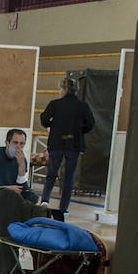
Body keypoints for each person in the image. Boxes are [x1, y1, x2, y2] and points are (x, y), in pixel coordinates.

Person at [39, 77, 95, 213]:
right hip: (74, 144)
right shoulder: (83, 106)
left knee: (52, 173)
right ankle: (63, 208)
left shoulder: (55, 104)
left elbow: (44, 119)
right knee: (69, 176)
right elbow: (90, 123)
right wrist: (79, 131)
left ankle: (45, 200)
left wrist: (53, 124)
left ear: (64, 89)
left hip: (57, 142)